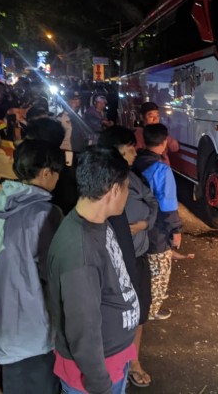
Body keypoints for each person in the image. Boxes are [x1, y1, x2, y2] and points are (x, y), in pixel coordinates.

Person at [47, 147, 139, 394]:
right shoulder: (80, 251)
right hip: (95, 374)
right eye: (127, 188)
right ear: (115, 190)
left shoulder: (95, 223)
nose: (128, 194)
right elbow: (82, 329)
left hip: (112, 360)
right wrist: (99, 384)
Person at [0, 139, 64, 393]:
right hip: (32, 329)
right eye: (57, 173)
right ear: (46, 172)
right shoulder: (44, 214)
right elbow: (53, 275)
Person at [98, 126, 158, 388]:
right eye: (130, 147)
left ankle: (132, 361)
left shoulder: (136, 178)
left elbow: (153, 205)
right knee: (112, 313)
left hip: (137, 256)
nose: (136, 151)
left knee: (139, 311)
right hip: (113, 261)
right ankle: (107, 363)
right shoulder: (103, 181)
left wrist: (145, 224)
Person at [133, 123, 182, 321]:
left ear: (144, 141)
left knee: (142, 268)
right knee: (159, 271)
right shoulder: (161, 169)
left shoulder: (135, 162)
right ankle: (152, 310)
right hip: (157, 228)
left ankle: (143, 304)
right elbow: (168, 205)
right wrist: (176, 230)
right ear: (164, 143)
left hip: (137, 223)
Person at [57, 90, 91, 166]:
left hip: (79, 154)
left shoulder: (78, 117)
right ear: (66, 102)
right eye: (74, 100)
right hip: (67, 154)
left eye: (78, 100)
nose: (77, 103)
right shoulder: (60, 119)